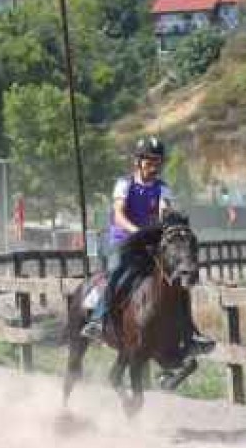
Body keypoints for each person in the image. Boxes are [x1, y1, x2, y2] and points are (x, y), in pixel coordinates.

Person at [82, 136, 215, 354]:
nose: (153, 166)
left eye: (157, 162)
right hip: (122, 241)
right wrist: (138, 233)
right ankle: (98, 319)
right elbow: (118, 215)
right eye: (149, 161)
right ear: (138, 161)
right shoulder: (124, 184)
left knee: (174, 282)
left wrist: (165, 227)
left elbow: (163, 212)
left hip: (148, 243)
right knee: (116, 273)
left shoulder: (163, 188)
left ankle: (191, 335)